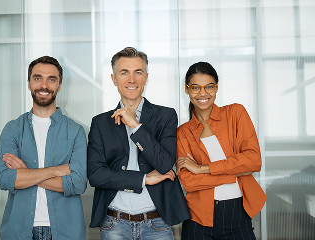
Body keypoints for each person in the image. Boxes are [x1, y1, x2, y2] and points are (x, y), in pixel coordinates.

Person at [87, 47, 191, 239]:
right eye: (124, 72)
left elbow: (165, 163)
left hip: (157, 224)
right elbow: (96, 175)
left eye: (138, 72)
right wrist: (143, 179)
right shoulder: (100, 123)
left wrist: (135, 125)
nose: (132, 79)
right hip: (114, 224)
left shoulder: (166, 116)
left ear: (146, 77)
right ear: (114, 79)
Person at [0, 56, 87, 240]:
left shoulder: (76, 131)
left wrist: (25, 173)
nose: (44, 85)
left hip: (65, 231)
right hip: (20, 230)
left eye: (51, 79)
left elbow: (77, 183)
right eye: (38, 78)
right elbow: (5, 178)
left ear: (59, 86)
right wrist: (56, 171)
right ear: (28, 83)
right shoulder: (12, 129)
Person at [176, 62, 267, 240]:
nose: (203, 93)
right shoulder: (183, 132)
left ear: (216, 88)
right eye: (195, 87)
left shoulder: (236, 113)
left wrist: (202, 168)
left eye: (209, 86)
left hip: (238, 214)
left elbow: (253, 161)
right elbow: (189, 182)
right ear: (187, 90)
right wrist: (233, 174)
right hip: (198, 219)